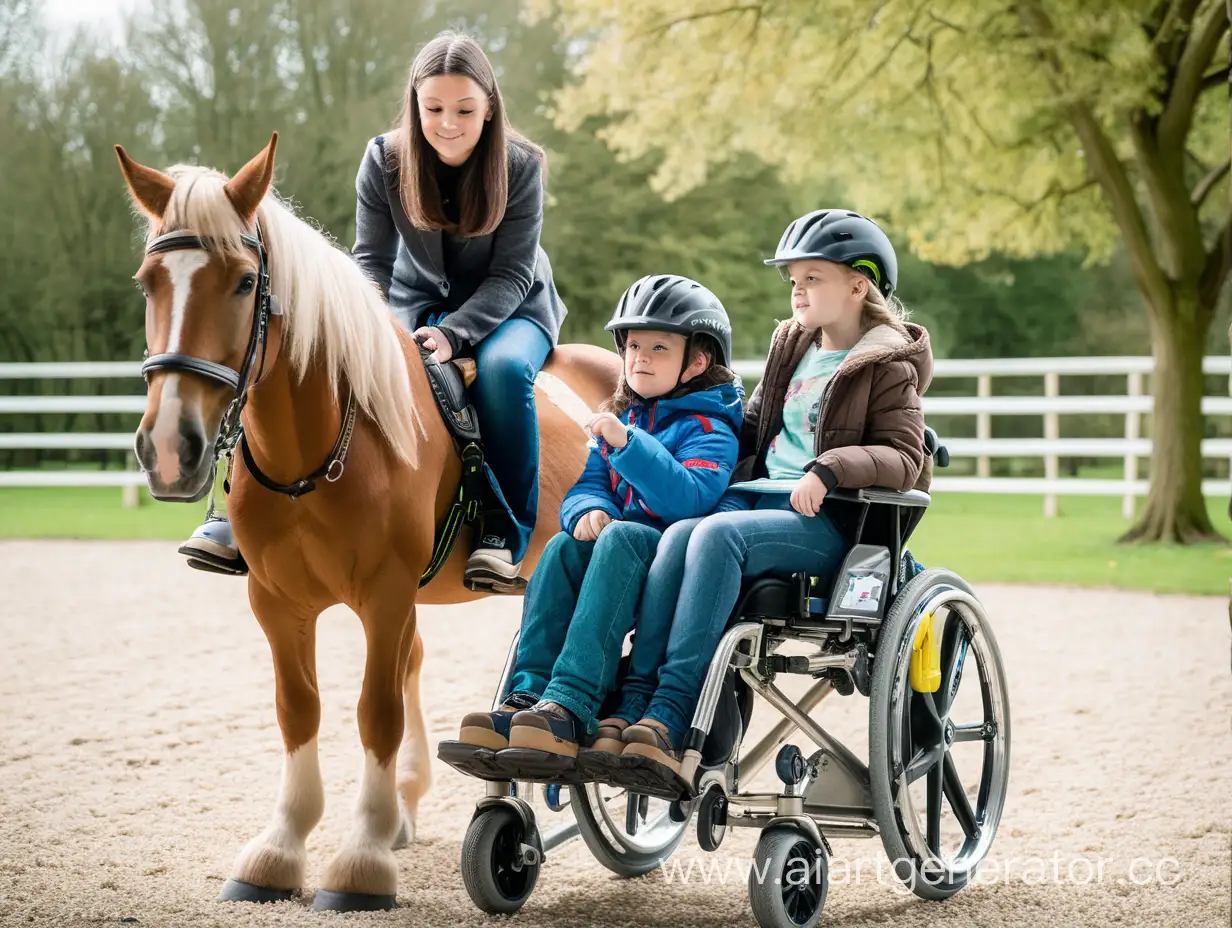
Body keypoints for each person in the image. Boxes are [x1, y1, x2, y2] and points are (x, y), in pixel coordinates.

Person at [179, 31, 566, 592]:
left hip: (512, 308)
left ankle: (503, 533)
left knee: (503, 373)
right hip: (413, 301)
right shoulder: (384, 159)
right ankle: (237, 513)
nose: (448, 123)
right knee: (301, 356)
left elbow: (511, 274)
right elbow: (371, 265)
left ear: (489, 108)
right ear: (415, 104)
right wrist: (359, 328)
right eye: (433, 108)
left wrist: (455, 336)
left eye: (464, 109)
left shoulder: (522, 165)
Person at [610, 209, 934, 781]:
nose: (798, 292)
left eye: (813, 278)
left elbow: (907, 460)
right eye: (793, 281)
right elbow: (754, 427)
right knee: (680, 534)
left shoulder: (890, 363)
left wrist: (831, 468)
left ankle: (672, 707)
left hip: (828, 522)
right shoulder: (792, 346)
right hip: (756, 504)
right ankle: (637, 698)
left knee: (710, 535)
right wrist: (676, 437)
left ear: (858, 285)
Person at [450, 275, 742, 765]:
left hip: (672, 556)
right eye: (631, 346)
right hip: (617, 549)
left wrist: (628, 447)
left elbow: (689, 498)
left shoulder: (711, 427)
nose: (639, 358)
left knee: (624, 537)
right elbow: (588, 484)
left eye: (658, 348)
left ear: (697, 361)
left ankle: (572, 701)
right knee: (564, 547)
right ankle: (526, 694)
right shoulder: (628, 417)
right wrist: (589, 509)